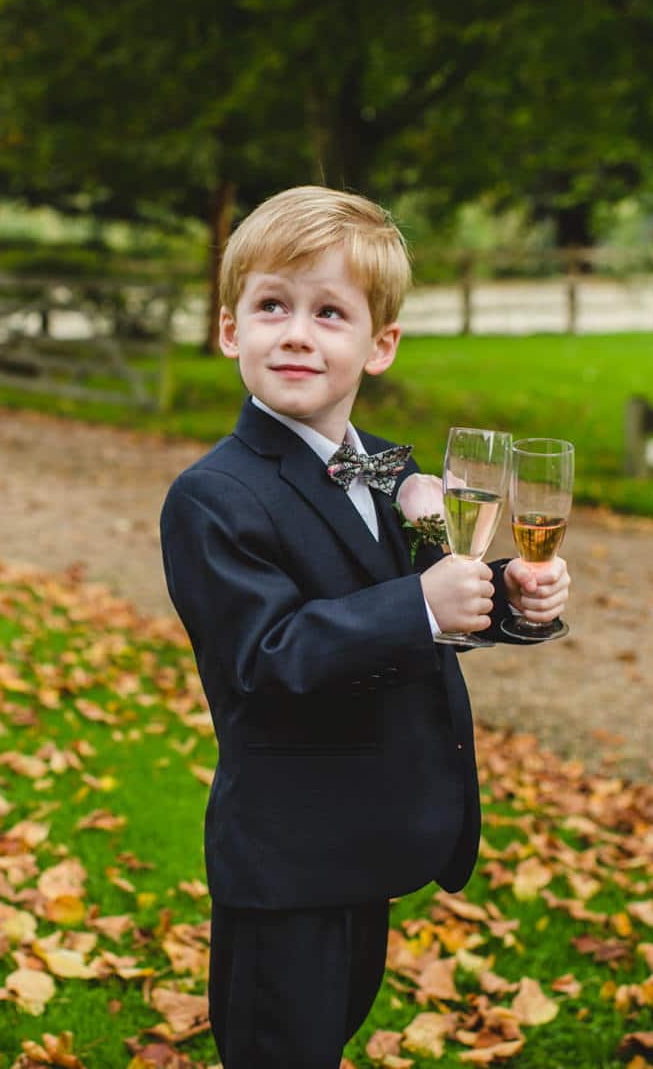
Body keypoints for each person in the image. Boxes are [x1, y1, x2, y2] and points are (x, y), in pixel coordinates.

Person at [158, 185, 570, 1067]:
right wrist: (420, 606)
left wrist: (511, 599)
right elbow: (269, 656)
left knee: (329, 1036)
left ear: (378, 345)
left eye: (329, 312)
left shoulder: (387, 471)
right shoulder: (214, 497)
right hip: (287, 859)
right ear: (230, 329)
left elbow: (422, 601)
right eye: (273, 306)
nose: (297, 332)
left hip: (364, 844)